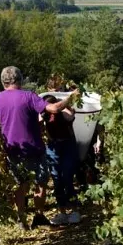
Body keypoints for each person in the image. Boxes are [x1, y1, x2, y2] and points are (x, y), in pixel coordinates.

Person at [0, 66, 77, 230]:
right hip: (34, 148)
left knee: (20, 186)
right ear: (20, 80)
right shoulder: (28, 96)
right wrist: (71, 98)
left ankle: (21, 220)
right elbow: (54, 108)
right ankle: (39, 215)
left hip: (11, 149)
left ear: (3, 81)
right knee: (40, 183)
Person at [41, 94, 80, 226]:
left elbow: (71, 114)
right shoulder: (44, 115)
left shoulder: (64, 114)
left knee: (67, 178)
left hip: (67, 146)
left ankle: (74, 210)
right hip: (53, 147)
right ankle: (62, 212)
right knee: (57, 180)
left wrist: (64, 104)